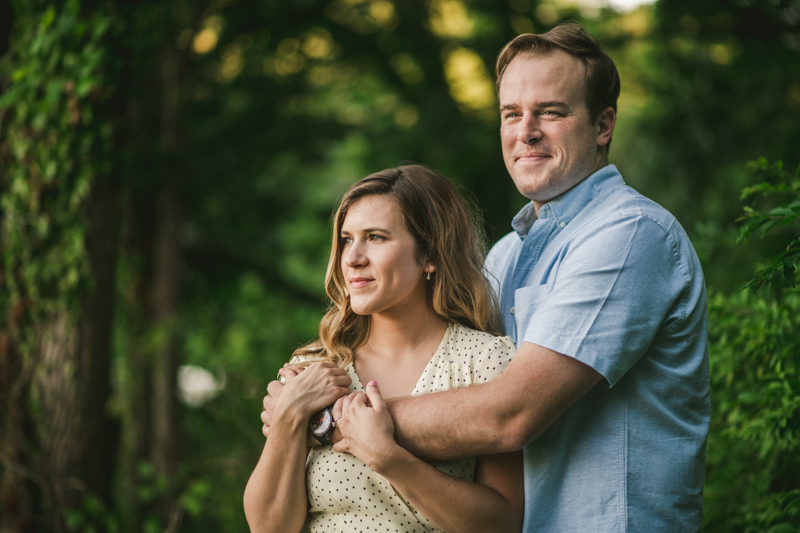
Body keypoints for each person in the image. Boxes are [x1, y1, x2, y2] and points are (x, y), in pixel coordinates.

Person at [262, 21, 710, 532]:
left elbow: (508, 415)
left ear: (603, 125)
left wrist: (320, 418)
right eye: (512, 114)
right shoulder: (506, 256)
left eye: (552, 112)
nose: (527, 131)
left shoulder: (630, 236)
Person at [244, 165, 524, 533]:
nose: (352, 258)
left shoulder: (483, 361)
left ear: (430, 255)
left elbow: (502, 524)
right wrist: (289, 417)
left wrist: (389, 458)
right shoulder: (314, 369)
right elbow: (269, 528)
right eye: (346, 239)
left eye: (375, 237)